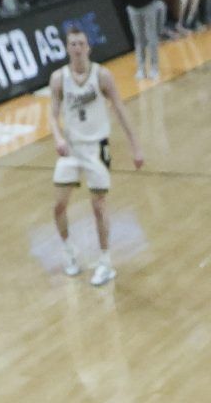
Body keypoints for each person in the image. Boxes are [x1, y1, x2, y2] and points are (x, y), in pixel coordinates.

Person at [46, 27, 143, 287]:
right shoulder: (58, 78)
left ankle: (105, 262)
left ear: (88, 47)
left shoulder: (102, 76)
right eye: (72, 44)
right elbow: (52, 115)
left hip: (96, 147)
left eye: (81, 43)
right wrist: (58, 137)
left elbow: (121, 110)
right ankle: (69, 252)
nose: (77, 48)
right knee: (58, 206)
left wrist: (136, 147)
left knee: (98, 206)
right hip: (72, 149)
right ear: (67, 48)